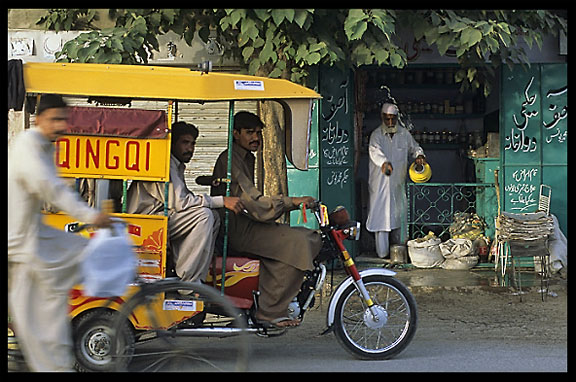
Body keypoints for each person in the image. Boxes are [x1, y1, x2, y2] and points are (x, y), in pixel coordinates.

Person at [8, 94, 113, 371]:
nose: (60, 126)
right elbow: (50, 188)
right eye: (54, 119)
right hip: (22, 243)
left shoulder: (45, 146)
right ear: (38, 119)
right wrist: (91, 216)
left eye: (63, 120)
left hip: (35, 234)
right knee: (43, 317)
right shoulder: (28, 145)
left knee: (79, 254)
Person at [211, 111, 322, 328]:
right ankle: (269, 311)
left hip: (247, 223)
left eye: (258, 133)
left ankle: (275, 299)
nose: (256, 138)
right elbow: (254, 202)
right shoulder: (230, 159)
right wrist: (292, 201)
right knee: (298, 242)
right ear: (235, 134)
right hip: (237, 229)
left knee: (308, 236)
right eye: (249, 133)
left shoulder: (246, 158)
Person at [126, 121, 244, 283]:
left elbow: (182, 200)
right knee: (203, 216)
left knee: (214, 217)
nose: (190, 148)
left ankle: (193, 275)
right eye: (185, 143)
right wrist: (221, 200)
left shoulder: (177, 165)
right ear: (173, 143)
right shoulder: (165, 164)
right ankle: (188, 280)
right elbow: (181, 202)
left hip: (161, 220)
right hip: (145, 223)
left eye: (193, 144)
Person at [367, 103, 426, 258]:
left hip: (398, 183)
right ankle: (382, 254)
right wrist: (384, 163)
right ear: (382, 118)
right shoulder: (376, 135)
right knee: (381, 220)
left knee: (400, 216)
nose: (391, 122)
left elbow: (415, 147)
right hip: (380, 185)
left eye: (393, 119)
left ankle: (401, 253)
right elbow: (375, 152)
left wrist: (419, 156)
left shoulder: (404, 134)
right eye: (388, 119)